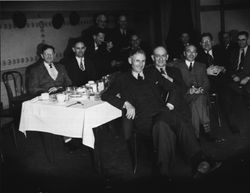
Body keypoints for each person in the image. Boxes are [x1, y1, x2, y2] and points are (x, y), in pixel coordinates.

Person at [102, 49, 221, 178]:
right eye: (137, 60)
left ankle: (163, 173)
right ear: (130, 61)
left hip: (162, 112)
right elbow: (106, 95)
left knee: (162, 124)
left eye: (143, 61)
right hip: (143, 119)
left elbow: (174, 88)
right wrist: (126, 103)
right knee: (167, 123)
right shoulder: (122, 79)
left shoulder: (152, 73)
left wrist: (170, 103)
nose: (140, 64)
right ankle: (199, 160)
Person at [175, 45, 218, 141]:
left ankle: (196, 136)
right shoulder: (177, 66)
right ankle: (207, 130)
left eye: (194, 52)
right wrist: (188, 90)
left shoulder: (201, 65)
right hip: (186, 95)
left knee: (196, 102)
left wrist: (201, 89)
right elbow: (177, 84)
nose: (191, 54)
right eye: (188, 51)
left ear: (196, 54)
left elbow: (206, 82)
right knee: (196, 101)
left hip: (201, 94)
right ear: (184, 53)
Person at [149, 46, 191, 123]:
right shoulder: (148, 73)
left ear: (167, 57)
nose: (161, 59)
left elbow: (184, 89)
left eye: (163, 56)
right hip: (158, 110)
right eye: (157, 56)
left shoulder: (175, 71)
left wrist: (171, 80)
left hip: (177, 107)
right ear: (153, 57)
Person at [229, 31, 250, 108]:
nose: (241, 42)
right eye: (239, 40)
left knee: (248, 90)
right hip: (236, 77)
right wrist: (233, 75)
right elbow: (229, 67)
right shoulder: (233, 51)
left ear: (247, 39)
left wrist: (247, 78)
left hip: (248, 77)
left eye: (243, 39)